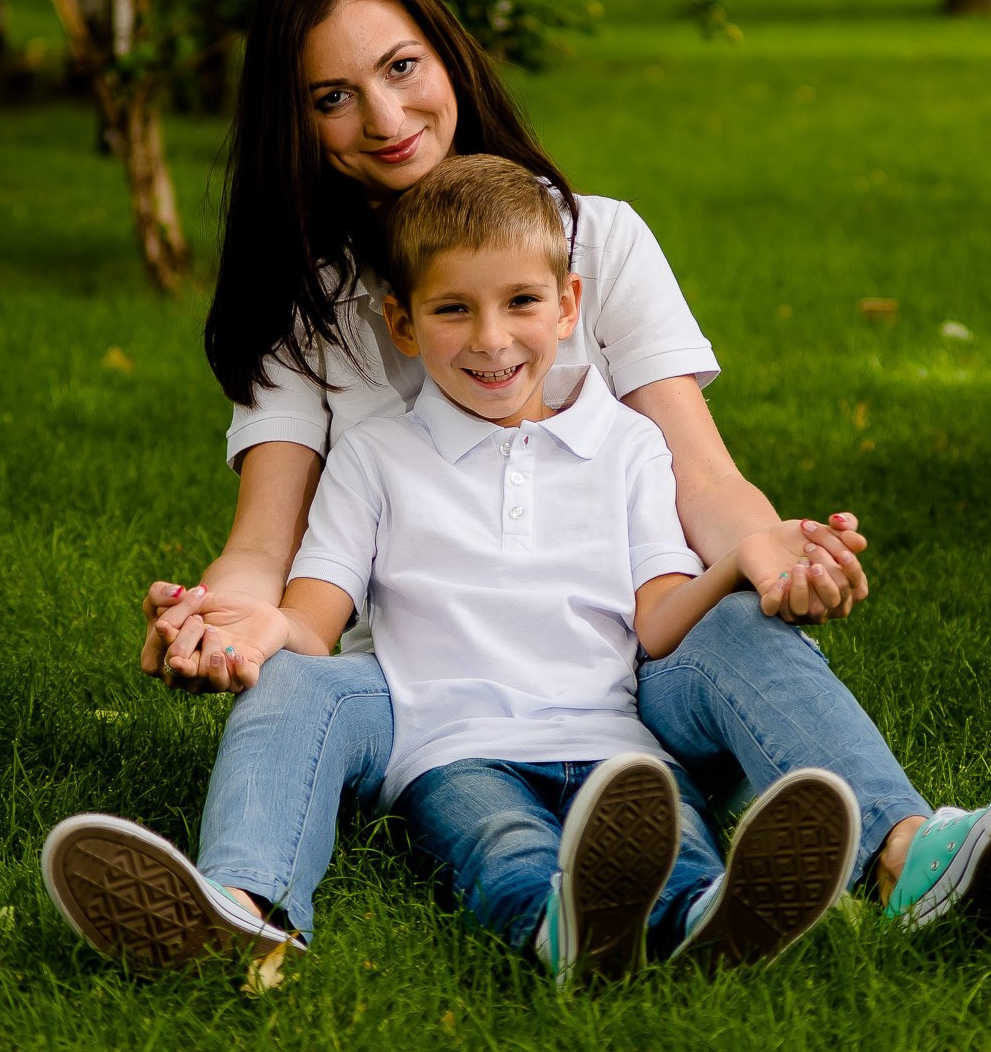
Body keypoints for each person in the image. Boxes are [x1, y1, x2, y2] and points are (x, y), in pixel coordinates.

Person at [39, 0, 991, 970]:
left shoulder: (594, 238)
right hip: (425, 688)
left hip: (612, 679)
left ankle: (908, 856)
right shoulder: (308, 311)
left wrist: (769, 553)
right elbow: (265, 545)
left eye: (401, 66)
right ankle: (242, 903)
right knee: (302, 679)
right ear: (296, 123)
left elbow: (699, 474)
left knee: (738, 618)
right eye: (331, 97)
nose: (383, 116)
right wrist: (225, 621)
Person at [196, 154, 865, 980]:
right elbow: (315, 620)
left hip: (613, 738)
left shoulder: (628, 445)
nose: (491, 339)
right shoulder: (374, 457)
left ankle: (706, 917)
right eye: (453, 310)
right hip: (452, 745)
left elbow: (656, 622)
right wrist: (267, 626)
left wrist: (740, 563)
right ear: (402, 325)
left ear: (567, 306)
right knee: (503, 843)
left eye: (521, 302)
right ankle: (541, 927)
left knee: (669, 836)